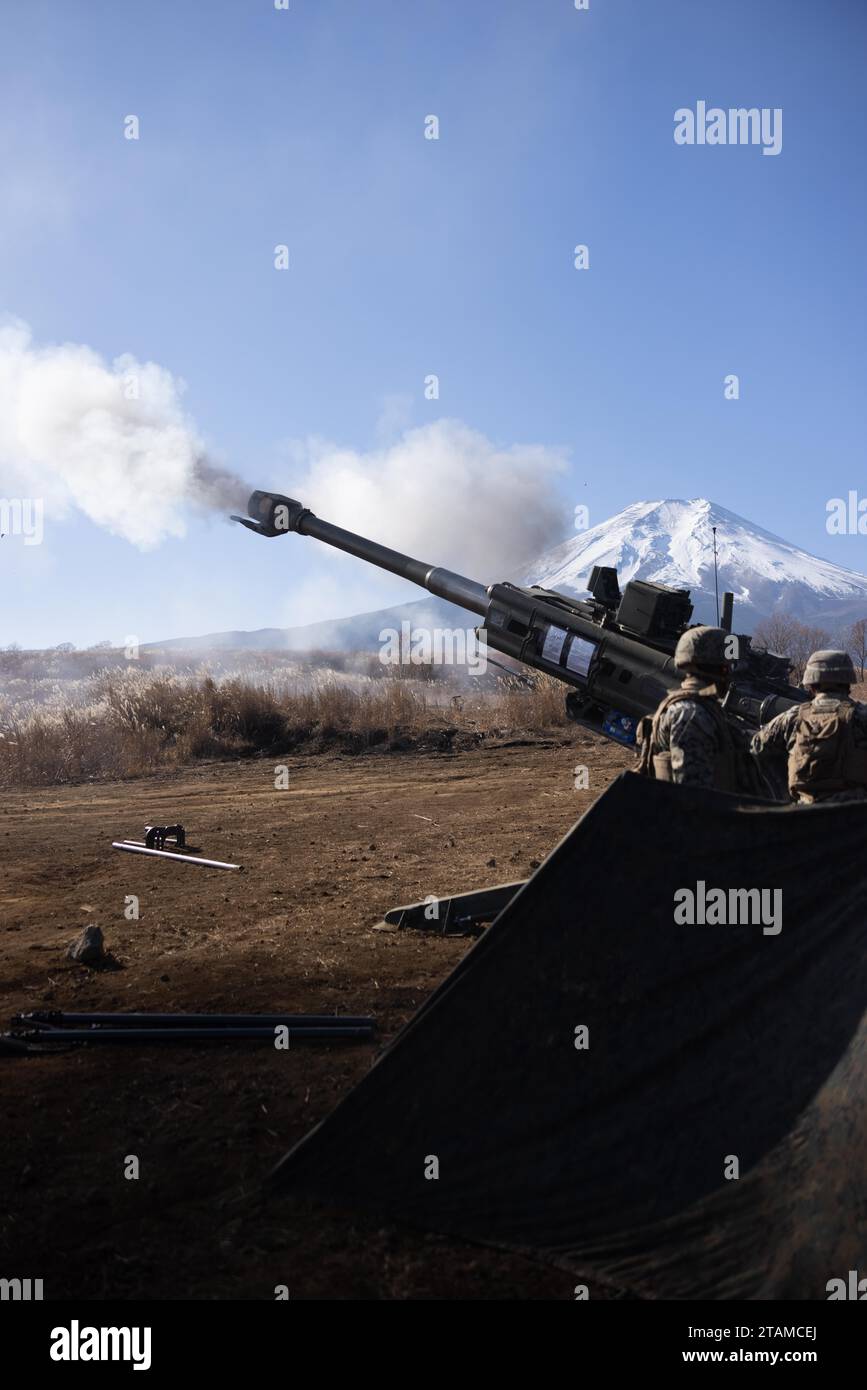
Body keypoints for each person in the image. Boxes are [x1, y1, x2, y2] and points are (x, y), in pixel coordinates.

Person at [750, 649, 867, 803]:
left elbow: (757, 746)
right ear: (848, 683)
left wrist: (783, 790)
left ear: (811, 685)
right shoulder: (861, 716)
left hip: (805, 814)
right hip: (854, 815)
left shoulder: (793, 717)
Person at [637, 626, 736, 790]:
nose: (729, 675)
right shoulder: (690, 715)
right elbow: (691, 794)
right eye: (726, 668)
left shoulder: (702, 707)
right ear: (711, 667)